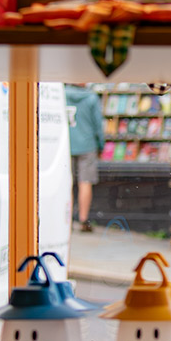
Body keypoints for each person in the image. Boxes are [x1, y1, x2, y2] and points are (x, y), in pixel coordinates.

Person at [64, 83, 106, 233]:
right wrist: (101, 145)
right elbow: (98, 125)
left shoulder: (62, 94)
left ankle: (66, 220)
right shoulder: (91, 98)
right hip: (87, 145)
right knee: (85, 182)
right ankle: (83, 219)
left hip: (67, 144)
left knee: (67, 184)